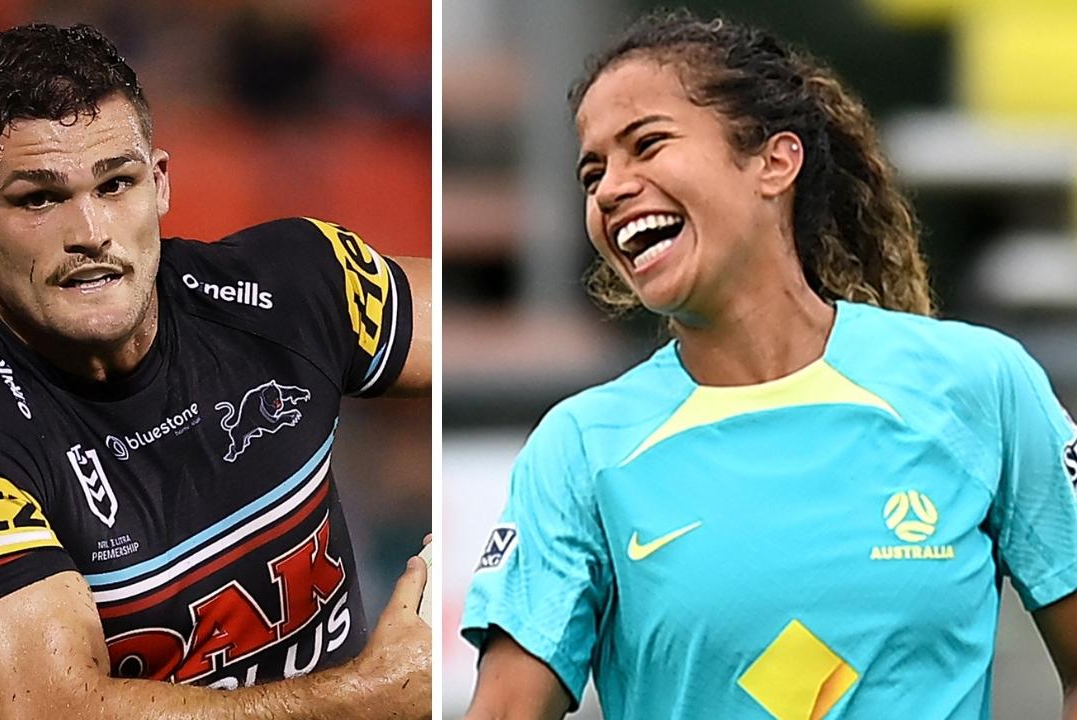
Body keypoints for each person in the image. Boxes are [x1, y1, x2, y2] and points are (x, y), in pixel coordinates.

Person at [460, 9, 1077, 720]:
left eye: (647, 144)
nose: (609, 189)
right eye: (592, 172)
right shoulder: (580, 447)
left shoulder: (981, 385)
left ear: (775, 162)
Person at [0, 23, 431, 719]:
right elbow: (55, 712)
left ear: (161, 183)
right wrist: (367, 698)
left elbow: (484, 345)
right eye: (38, 199)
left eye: (115, 183)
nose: (89, 231)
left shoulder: (295, 284)